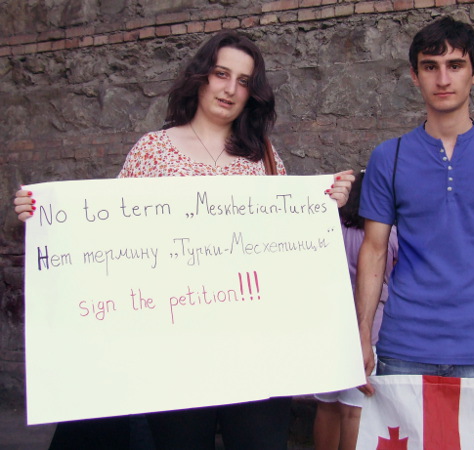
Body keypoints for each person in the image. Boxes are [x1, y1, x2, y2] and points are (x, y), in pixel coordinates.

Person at [14, 30, 354, 449]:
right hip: (174, 349)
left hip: (253, 345)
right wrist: (45, 217)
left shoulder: (262, 155)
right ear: (200, 77)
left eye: (243, 81)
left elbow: (284, 241)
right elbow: (107, 237)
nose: (230, 89)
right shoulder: (152, 151)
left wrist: (323, 204)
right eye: (221, 74)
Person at [355, 16, 474, 397]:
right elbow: (374, 250)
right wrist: (363, 334)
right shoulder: (388, 157)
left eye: (455, 65)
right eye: (430, 66)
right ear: (415, 76)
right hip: (403, 348)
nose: (443, 79)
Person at [313, 171, 397, 450]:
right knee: (354, 409)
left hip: (330, 326)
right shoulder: (389, 235)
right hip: (369, 330)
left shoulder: (331, 228)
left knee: (326, 406)